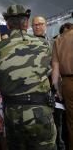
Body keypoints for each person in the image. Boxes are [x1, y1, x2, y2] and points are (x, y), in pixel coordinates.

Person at [0, 4, 57, 150]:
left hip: (13, 114)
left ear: (7, 24)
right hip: (42, 112)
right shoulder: (44, 45)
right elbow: (52, 74)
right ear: (27, 22)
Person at [32, 16, 66, 150]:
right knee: (37, 121)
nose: (38, 27)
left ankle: (58, 144)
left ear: (45, 25)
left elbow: (59, 64)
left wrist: (57, 86)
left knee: (57, 118)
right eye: (35, 25)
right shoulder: (27, 44)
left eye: (40, 24)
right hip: (34, 89)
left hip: (53, 85)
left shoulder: (54, 43)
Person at [52, 22, 73, 150]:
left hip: (68, 84)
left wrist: (57, 89)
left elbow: (55, 67)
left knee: (71, 123)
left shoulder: (58, 40)